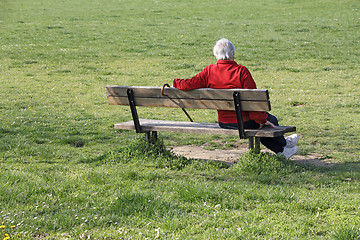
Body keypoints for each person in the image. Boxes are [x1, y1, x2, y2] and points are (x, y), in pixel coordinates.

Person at [172, 38, 299, 159]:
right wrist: (262, 119)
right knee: (270, 121)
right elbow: (253, 103)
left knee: (264, 124)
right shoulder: (241, 71)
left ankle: (283, 150)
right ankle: (284, 145)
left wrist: (176, 82)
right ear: (233, 54)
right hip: (245, 122)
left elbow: (189, 84)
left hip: (224, 123)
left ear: (216, 55)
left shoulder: (209, 71)